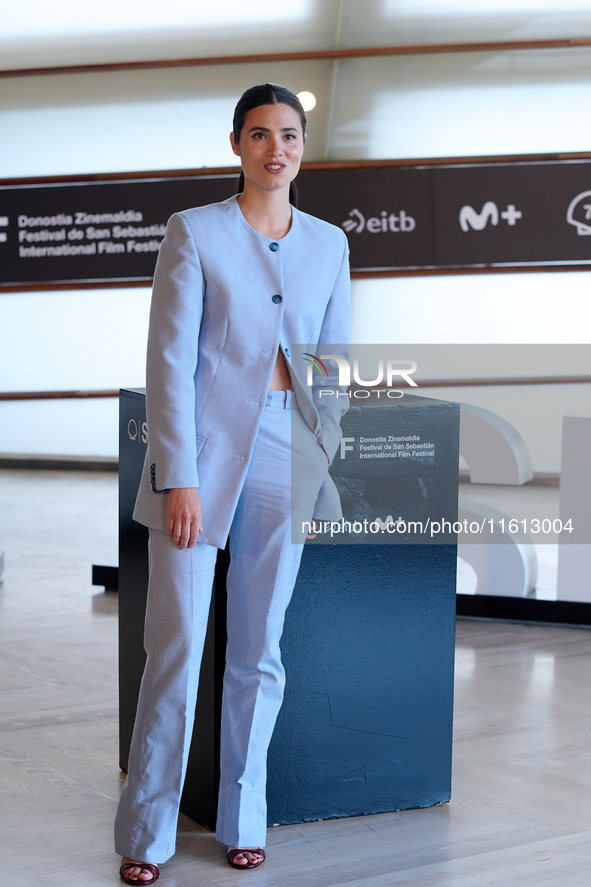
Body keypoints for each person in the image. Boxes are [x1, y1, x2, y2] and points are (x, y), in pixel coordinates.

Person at [114, 82, 351, 885]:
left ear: (301, 146)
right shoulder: (196, 232)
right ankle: (146, 831)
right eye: (259, 134)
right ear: (236, 144)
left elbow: (333, 363)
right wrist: (179, 476)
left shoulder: (328, 243)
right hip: (203, 464)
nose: (274, 148)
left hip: (290, 455)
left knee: (260, 652)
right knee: (175, 646)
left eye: (288, 135)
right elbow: (169, 363)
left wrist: (320, 461)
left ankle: (244, 819)